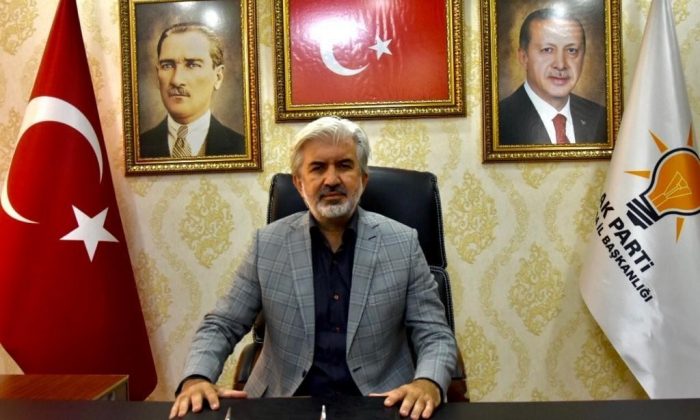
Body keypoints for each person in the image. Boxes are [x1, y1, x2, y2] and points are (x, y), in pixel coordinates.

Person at [170, 116, 457, 420]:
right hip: (284, 402)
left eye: (344, 165)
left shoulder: (403, 243)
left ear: (363, 178)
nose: (331, 179)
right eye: (318, 168)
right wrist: (196, 378)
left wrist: (428, 382)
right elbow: (223, 324)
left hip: (380, 403)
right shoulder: (267, 245)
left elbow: (434, 334)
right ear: (299, 183)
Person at [499, 8, 607, 145]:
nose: (561, 65)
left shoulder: (602, 119)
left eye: (571, 50)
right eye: (547, 50)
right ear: (524, 57)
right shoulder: (498, 120)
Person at [139, 22, 245, 158]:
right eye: (167, 65)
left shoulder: (242, 148)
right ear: (157, 74)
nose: (176, 80)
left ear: (218, 77)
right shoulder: (137, 148)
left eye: (192, 65)